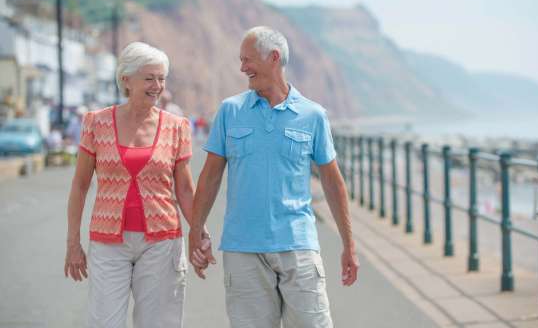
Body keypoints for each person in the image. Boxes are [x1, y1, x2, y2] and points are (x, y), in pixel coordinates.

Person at [189, 26, 359, 328]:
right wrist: (196, 229)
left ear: (274, 58)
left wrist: (349, 244)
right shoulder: (230, 111)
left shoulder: (313, 115)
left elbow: (333, 183)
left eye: (247, 60)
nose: (242, 68)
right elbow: (210, 176)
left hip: (299, 247)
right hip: (243, 251)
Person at [64, 41, 209, 328]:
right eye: (149, 78)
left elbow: (184, 190)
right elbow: (80, 186)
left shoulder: (177, 127)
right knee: (104, 322)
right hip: (108, 242)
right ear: (126, 80)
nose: (157, 85)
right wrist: (73, 243)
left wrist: (200, 234)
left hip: (162, 241)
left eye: (161, 78)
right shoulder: (96, 123)